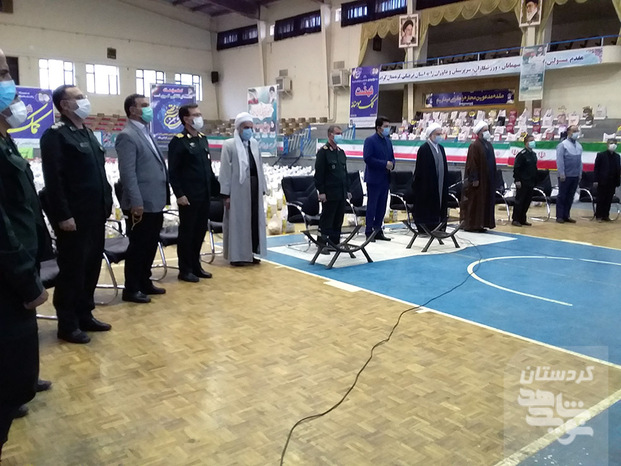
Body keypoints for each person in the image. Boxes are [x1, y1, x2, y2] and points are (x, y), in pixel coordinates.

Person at [0, 49, 52, 459]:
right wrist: (23, 274)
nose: (10, 83)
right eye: (2, 73)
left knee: (16, 370)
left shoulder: (6, 140)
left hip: (20, 265)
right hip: (7, 276)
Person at [40, 85, 112, 344]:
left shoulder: (88, 133)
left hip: (95, 213)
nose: (85, 101)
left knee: (91, 267)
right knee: (73, 270)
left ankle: (85, 314)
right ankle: (67, 323)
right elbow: (54, 180)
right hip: (74, 217)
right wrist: (63, 215)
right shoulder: (56, 135)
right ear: (64, 105)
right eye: (79, 98)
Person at [116, 93, 170, 296]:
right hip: (141, 203)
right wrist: (136, 202)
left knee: (150, 244)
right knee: (138, 246)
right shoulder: (127, 136)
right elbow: (128, 173)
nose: (149, 108)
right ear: (132, 110)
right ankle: (132, 288)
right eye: (144, 105)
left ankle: (144, 281)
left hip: (155, 200)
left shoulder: (146, 132)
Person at [168, 104, 218, 281]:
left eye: (199, 114)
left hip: (204, 194)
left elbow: (208, 169)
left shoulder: (202, 139)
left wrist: (216, 190)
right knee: (187, 233)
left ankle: (196, 265)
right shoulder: (179, 141)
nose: (199, 117)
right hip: (188, 196)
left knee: (199, 232)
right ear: (186, 119)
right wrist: (179, 194)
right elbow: (173, 171)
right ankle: (185, 269)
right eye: (195, 115)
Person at [219, 112, 267, 266]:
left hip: (253, 187)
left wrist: (263, 188)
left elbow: (259, 167)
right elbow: (225, 171)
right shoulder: (229, 145)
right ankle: (237, 256)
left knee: (253, 221)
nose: (249, 131)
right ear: (239, 128)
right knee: (238, 222)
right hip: (237, 190)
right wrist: (226, 195)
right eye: (246, 127)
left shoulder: (254, 144)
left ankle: (251, 252)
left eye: (251, 128)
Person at [314, 125, 350, 249]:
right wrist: (321, 191)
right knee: (326, 220)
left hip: (341, 192)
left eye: (340, 133)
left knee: (338, 220)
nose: (340, 136)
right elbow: (319, 174)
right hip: (329, 193)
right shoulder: (323, 152)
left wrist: (348, 190)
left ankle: (334, 244)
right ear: (330, 135)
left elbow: (344, 173)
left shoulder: (341, 152)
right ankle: (321, 244)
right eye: (337, 133)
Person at [411, 122, 449, 231]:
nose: (439, 136)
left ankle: (440, 225)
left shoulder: (441, 148)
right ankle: (428, 227)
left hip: (440, 183)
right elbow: (421, 170)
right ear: (431, 135)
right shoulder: (424, 149)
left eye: (440, 134)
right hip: (427, 186)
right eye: (437, 134)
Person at [461, 121, 497, 232]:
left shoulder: (489, 145)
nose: (487, 132)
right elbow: (472, 163)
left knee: (486, 201)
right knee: (476, 202)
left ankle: (483, 223)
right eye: (485, 130)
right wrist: (474, 178)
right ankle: (473, 225)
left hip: (488, 179)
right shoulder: (474, 146)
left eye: (487, 130)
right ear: (479, 132)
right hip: (478, 180)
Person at [363, 116, 395, 241]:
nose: (388, 129)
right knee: (372, 205)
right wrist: (384, 164)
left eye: (388, 126)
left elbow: (392, 157)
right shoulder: (370, 141)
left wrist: (392, 164)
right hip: (374, 179)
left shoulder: (388, 141)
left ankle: (378, 230)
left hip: (385, 178)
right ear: (378, 128)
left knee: (382, 206)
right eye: (385, 126)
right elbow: (368, 158)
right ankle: (368, 231)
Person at [555, 125, 582, 223]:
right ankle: (559, 216)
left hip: (575, 175)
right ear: (569, 132)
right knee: (562, 196)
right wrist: (561, 173)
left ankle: (566, 215)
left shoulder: (579, 146)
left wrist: (580, 173)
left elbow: (580, 161)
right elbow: (560, 160)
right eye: (574, 131)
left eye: (577, 131)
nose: (576, 133)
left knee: (570, 196)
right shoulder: (563, 145)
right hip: (565, 175)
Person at [512, 134, 538, 227]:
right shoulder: (522, 154)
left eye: (533, 140)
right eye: (530, 141)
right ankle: (515, 219)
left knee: (527, 201)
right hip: (522, 181)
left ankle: (522, 218)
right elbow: (517, 168)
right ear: (526, 143)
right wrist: (517, 180)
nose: (533, 142)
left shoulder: (533, 155)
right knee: (520, 201)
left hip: (531, 181)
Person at [593, 137, 620, 222]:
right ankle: (598, 215)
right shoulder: (601, 155)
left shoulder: (617, 156)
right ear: (607, 144)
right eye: (611, 143)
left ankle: (605, 215)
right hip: (602, 180)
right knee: (601, 198)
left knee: (609, 199)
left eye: (615, 143)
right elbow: (596, 169)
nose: (613, 145)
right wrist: (596, 180)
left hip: (612, 181)